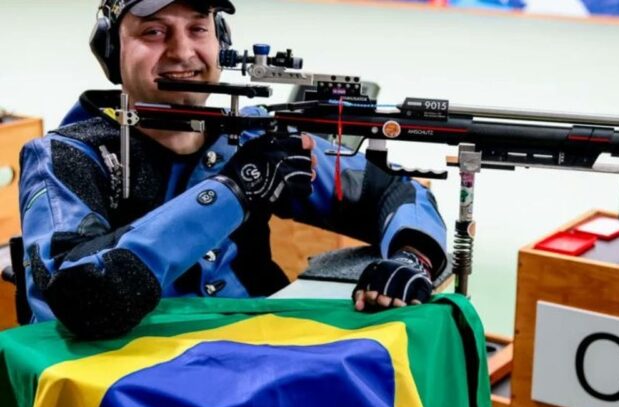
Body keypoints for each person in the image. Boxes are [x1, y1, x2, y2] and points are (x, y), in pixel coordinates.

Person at [18, 0, 447, 339]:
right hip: (127, 394)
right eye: (153, 31)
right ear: (111, 51)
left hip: (254, 362)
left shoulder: (253, 136)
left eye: (199, 28)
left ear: (220, 42)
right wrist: (235, 191)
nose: (183, 51)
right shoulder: (65, 157)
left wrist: (412, 258)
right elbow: (84, 296)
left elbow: (396, 193)